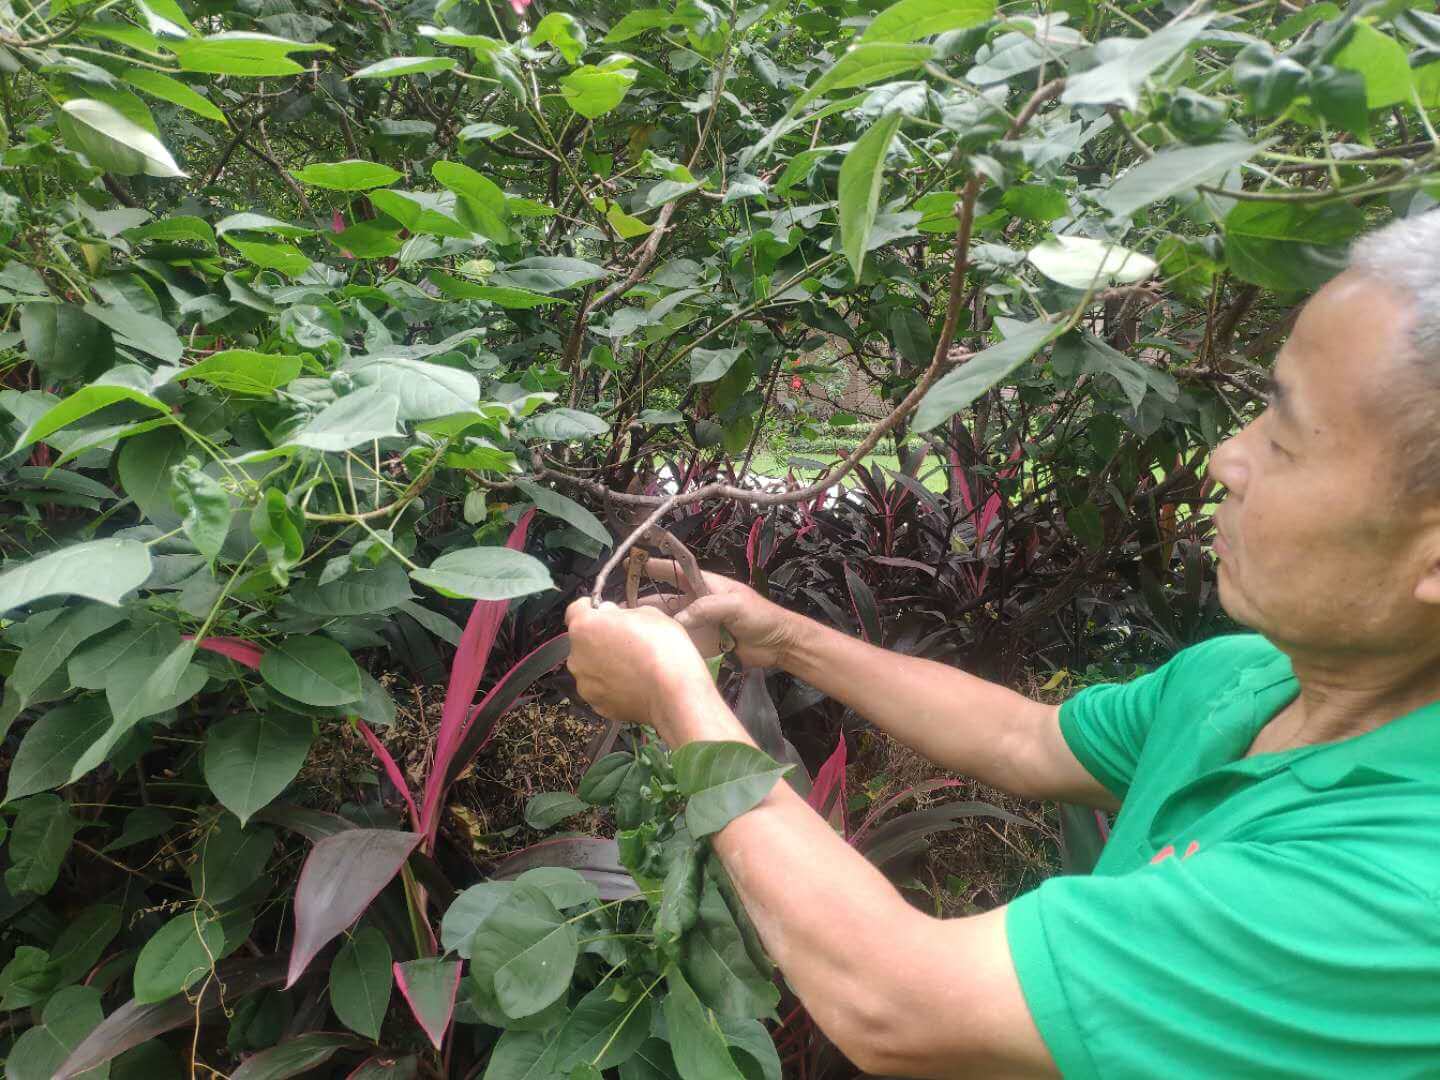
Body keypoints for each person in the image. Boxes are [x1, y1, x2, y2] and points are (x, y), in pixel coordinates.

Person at [565, 210, 1440, 1079]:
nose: (1224, 458)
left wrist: (678, 699)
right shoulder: (1250, 681)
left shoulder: (1398, 894)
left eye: (1284, 440)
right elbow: (1026, 739)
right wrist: (782, 634)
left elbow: (898, 1002)